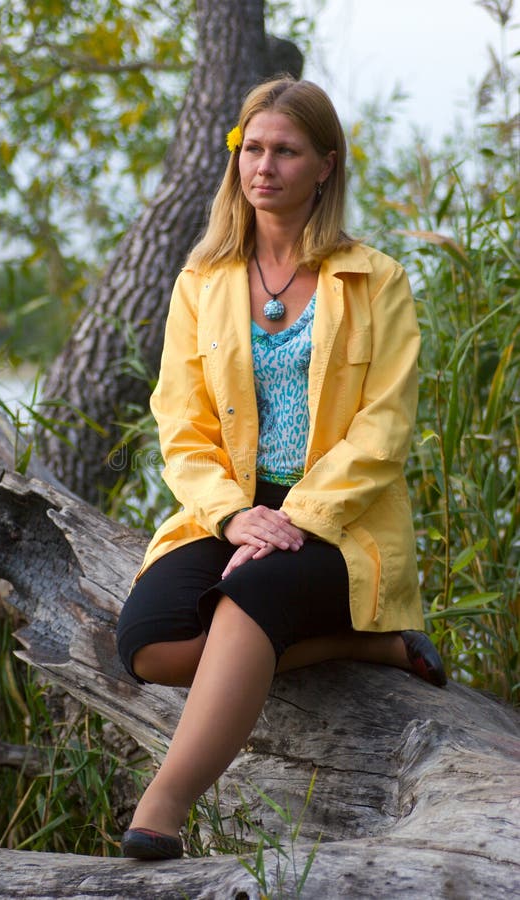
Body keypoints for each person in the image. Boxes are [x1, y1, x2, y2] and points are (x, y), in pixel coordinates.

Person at [116, 76, 446, 862]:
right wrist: (233, 515)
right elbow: (181, 423)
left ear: (325, 165)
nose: (263, 167)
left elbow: (383, 428)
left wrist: (295, 518)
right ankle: (365, 645)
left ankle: (161, 810)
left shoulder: (377, 280)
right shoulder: (201, 284)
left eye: (286, 151)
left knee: (246, 595)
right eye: (251, 148)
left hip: (341, 515)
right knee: (147, 644)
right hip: (230, 504)